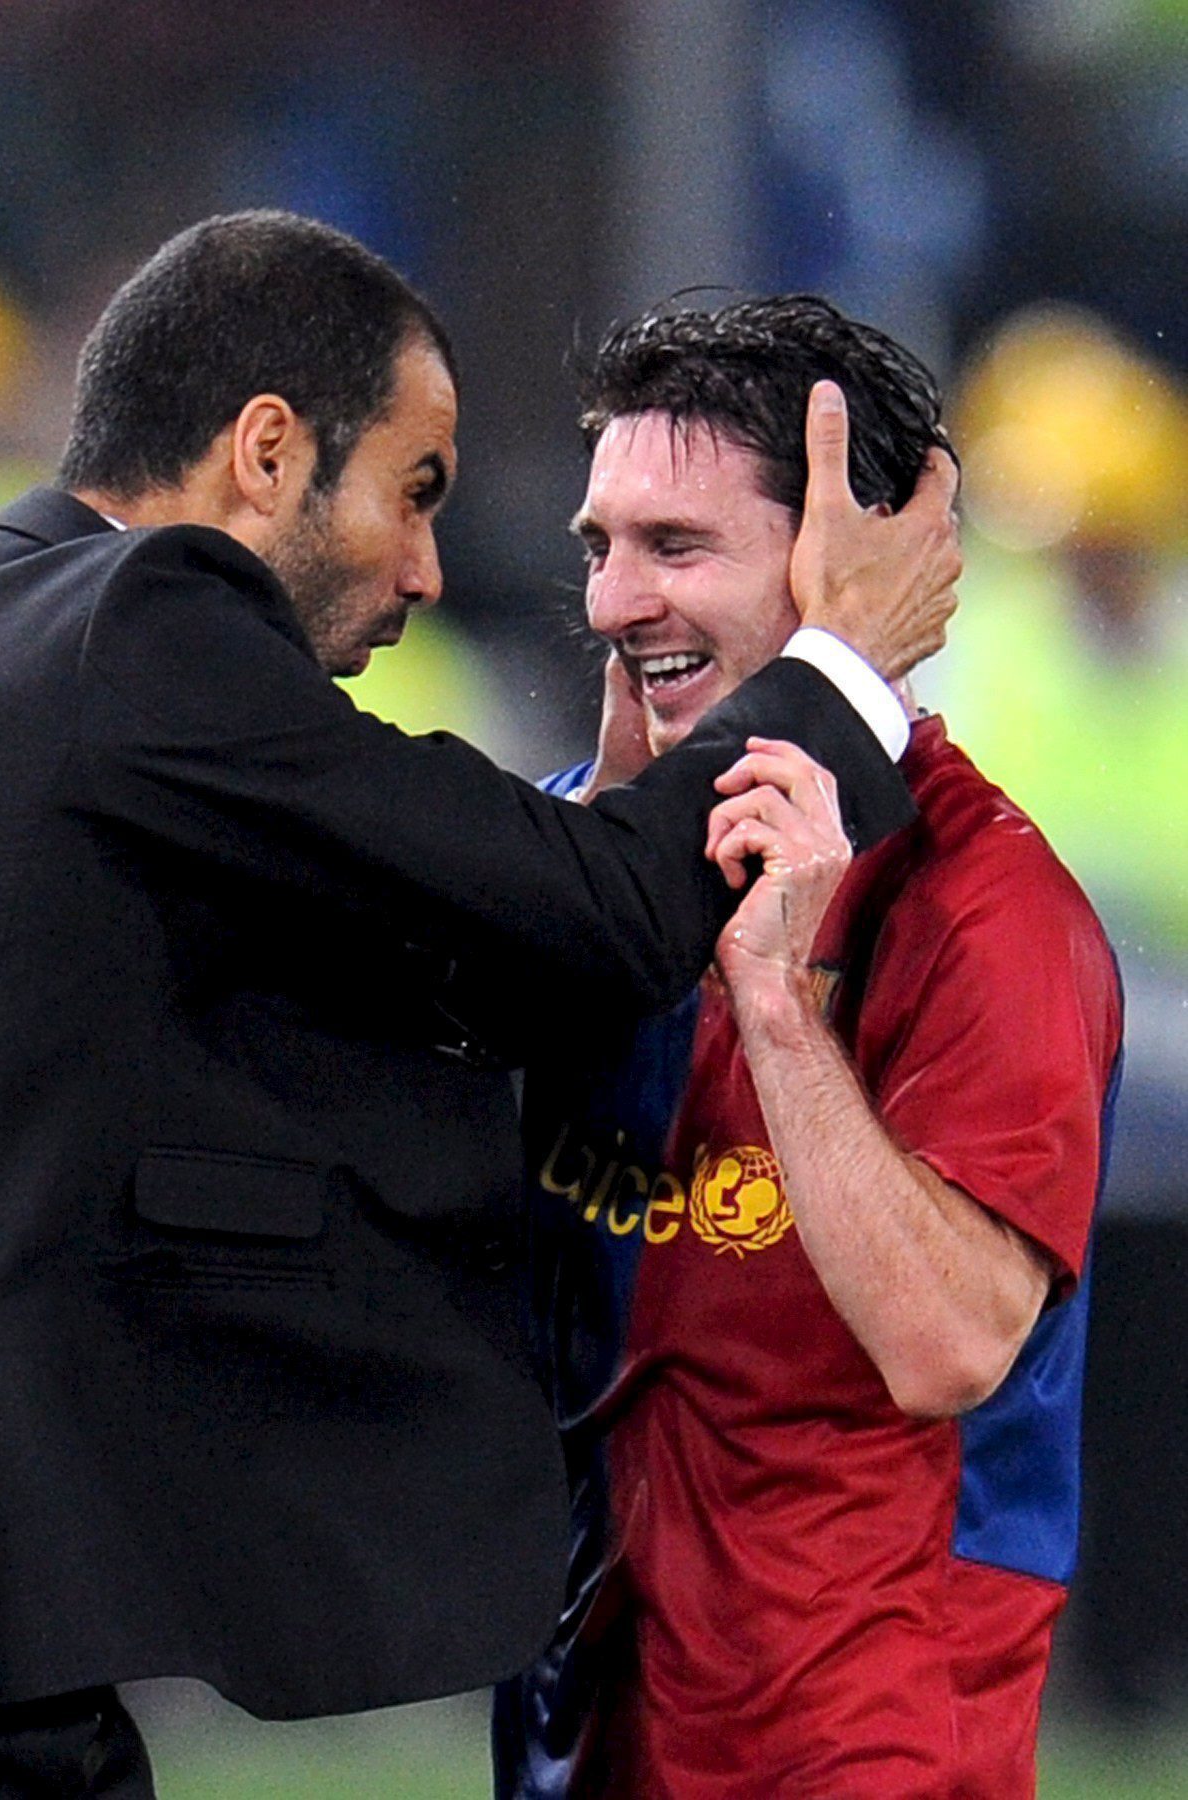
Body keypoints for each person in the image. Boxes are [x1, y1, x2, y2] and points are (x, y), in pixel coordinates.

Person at [0, 216, 958, 1798]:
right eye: (412, 491)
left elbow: (333, 979)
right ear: (263, 453)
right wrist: (842, 667)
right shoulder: (148, 617)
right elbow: (597, 916)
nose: (425, 569)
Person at [492, 296, 1123, 1798]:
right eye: (600, 546)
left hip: (866, 1745)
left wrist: (775, 1009)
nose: (610, 603)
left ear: (844, 564)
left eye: (676, 549)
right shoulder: (583, 860)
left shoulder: (985, 911)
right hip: (583, 1729)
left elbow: (954, 1339)